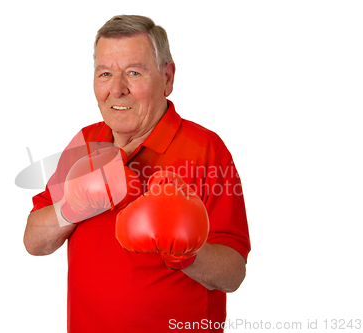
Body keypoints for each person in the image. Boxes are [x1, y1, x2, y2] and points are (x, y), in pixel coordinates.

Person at [24, 15, 250, 333]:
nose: (117, 90)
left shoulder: (205, 149)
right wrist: (71, 207)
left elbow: (233, 273)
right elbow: (34, 240)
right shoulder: (86, 141)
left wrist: (187, 254)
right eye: (105, 73)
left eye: (133, 72)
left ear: (167, 78)